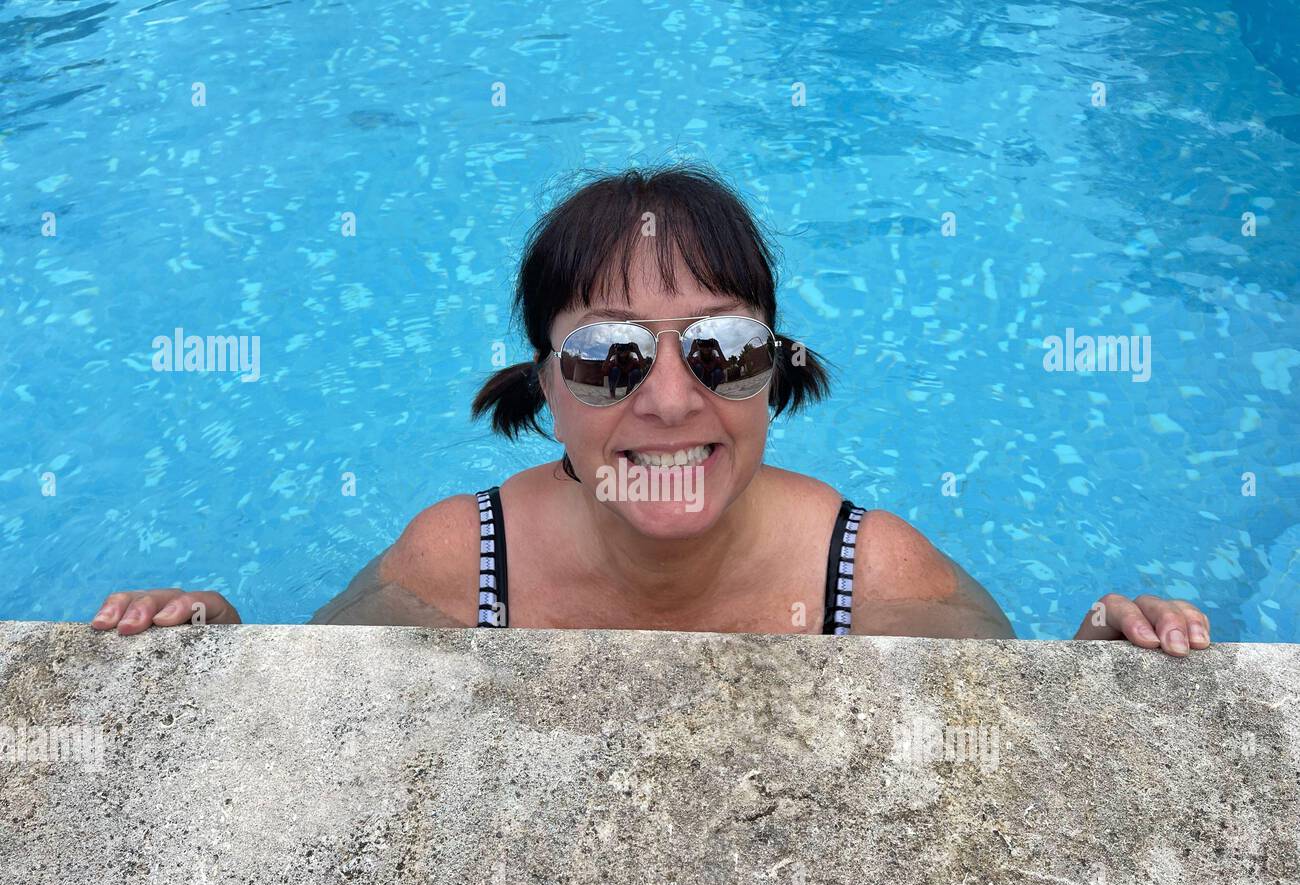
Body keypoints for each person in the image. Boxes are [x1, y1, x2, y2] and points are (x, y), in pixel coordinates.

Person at [91, 164, 1211, 656]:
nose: (672, 401)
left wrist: (1102, 652)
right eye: (610, 356)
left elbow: (1013, 723)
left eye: (721, 349)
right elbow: (300, 696)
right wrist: (214, 635)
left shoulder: (871, 577)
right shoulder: (457, 560)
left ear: (773, 372)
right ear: (544, 385)